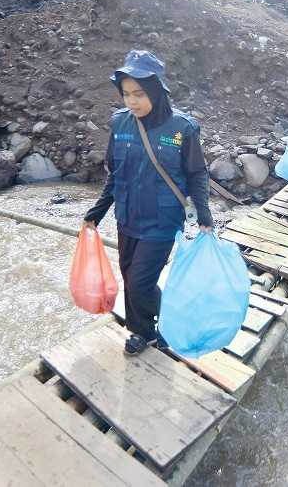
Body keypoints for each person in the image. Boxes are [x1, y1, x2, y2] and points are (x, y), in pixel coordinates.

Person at [83, 50, 213, 356]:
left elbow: (197, 174)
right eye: (126, 94)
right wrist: (96, 213)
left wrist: (205, 215)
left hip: (162, 220)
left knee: (140, 280)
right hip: (127, 215)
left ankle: (145, 331)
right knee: (130, 277)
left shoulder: (182, 129)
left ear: (155, 90)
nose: (132, 101)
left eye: (139, 94)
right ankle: (154, 323)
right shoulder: (120, 124)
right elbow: (115, 174)